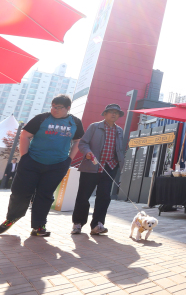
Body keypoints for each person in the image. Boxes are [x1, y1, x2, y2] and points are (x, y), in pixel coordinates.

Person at [0, 95, 84, 237]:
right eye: (52, 106)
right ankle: (11, 218)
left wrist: (69, 159)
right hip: (32, 162)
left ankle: (39, 226)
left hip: (57, 165)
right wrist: (25, 157)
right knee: (20, 192)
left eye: (58, 107)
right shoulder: (41, 118)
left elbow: (78, 141)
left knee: (44, 195)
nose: (54, 109)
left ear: (68, 108)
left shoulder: (75, 122)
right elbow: (25, 135)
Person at [71, 104, 126, 235]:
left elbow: (119, 149)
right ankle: (78, 223)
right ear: (105, 114)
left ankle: (97, 224)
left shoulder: (119, 130)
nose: (114, 114)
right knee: (83, 196)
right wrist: (88, 152)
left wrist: (120, 162)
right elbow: (83, 143)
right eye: (111, 112)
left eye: (116, 113)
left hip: (110, 167)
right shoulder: (95, 126)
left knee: (104, 197)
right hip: (92, 166)